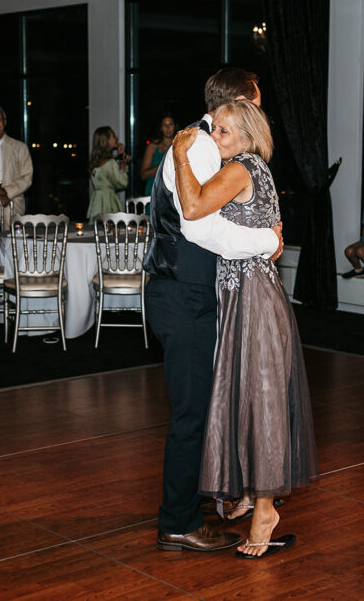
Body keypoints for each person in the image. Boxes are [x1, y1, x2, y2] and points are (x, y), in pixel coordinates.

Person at [143, 67, 283, 554]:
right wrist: (267, 240)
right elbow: (199, 227)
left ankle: (193, 499)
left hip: (192, 292)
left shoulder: (207, 145)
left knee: (204, 402)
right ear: (239, 104)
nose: (259, 112)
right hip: (184, 294)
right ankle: (177, 522)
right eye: (256, 103)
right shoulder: (199, 146)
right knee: (191, 412)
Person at [171, 99, 318, 559]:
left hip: (252, 298)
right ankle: (253, 499)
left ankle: (265, 512)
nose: (214, 139)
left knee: (262, 403)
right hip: (247, 295)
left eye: (224, 133)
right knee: (251, 398)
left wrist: (178, 156)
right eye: (214, 130)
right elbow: (261, 231)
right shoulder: (251, 168)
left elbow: (192, 209)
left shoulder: (240, 168)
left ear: (248, 138)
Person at [86, 127, 131, 218]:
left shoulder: (96, 162)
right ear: (105, 141)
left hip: (97, 202)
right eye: (113, 136)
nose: (117, 138)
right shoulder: (110, 163)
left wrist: (120, 155)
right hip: (109, 202)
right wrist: (123, 167)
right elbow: (121, 183)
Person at [140, 115, 176, 197]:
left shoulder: (179, 145)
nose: (168, 128)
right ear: (160, 128)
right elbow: (143, 175)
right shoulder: (152, 146)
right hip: (154, 191)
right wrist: (164, 165)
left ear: (175, 126)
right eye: (164, 125)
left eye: (170, 124)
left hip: (173, 191)